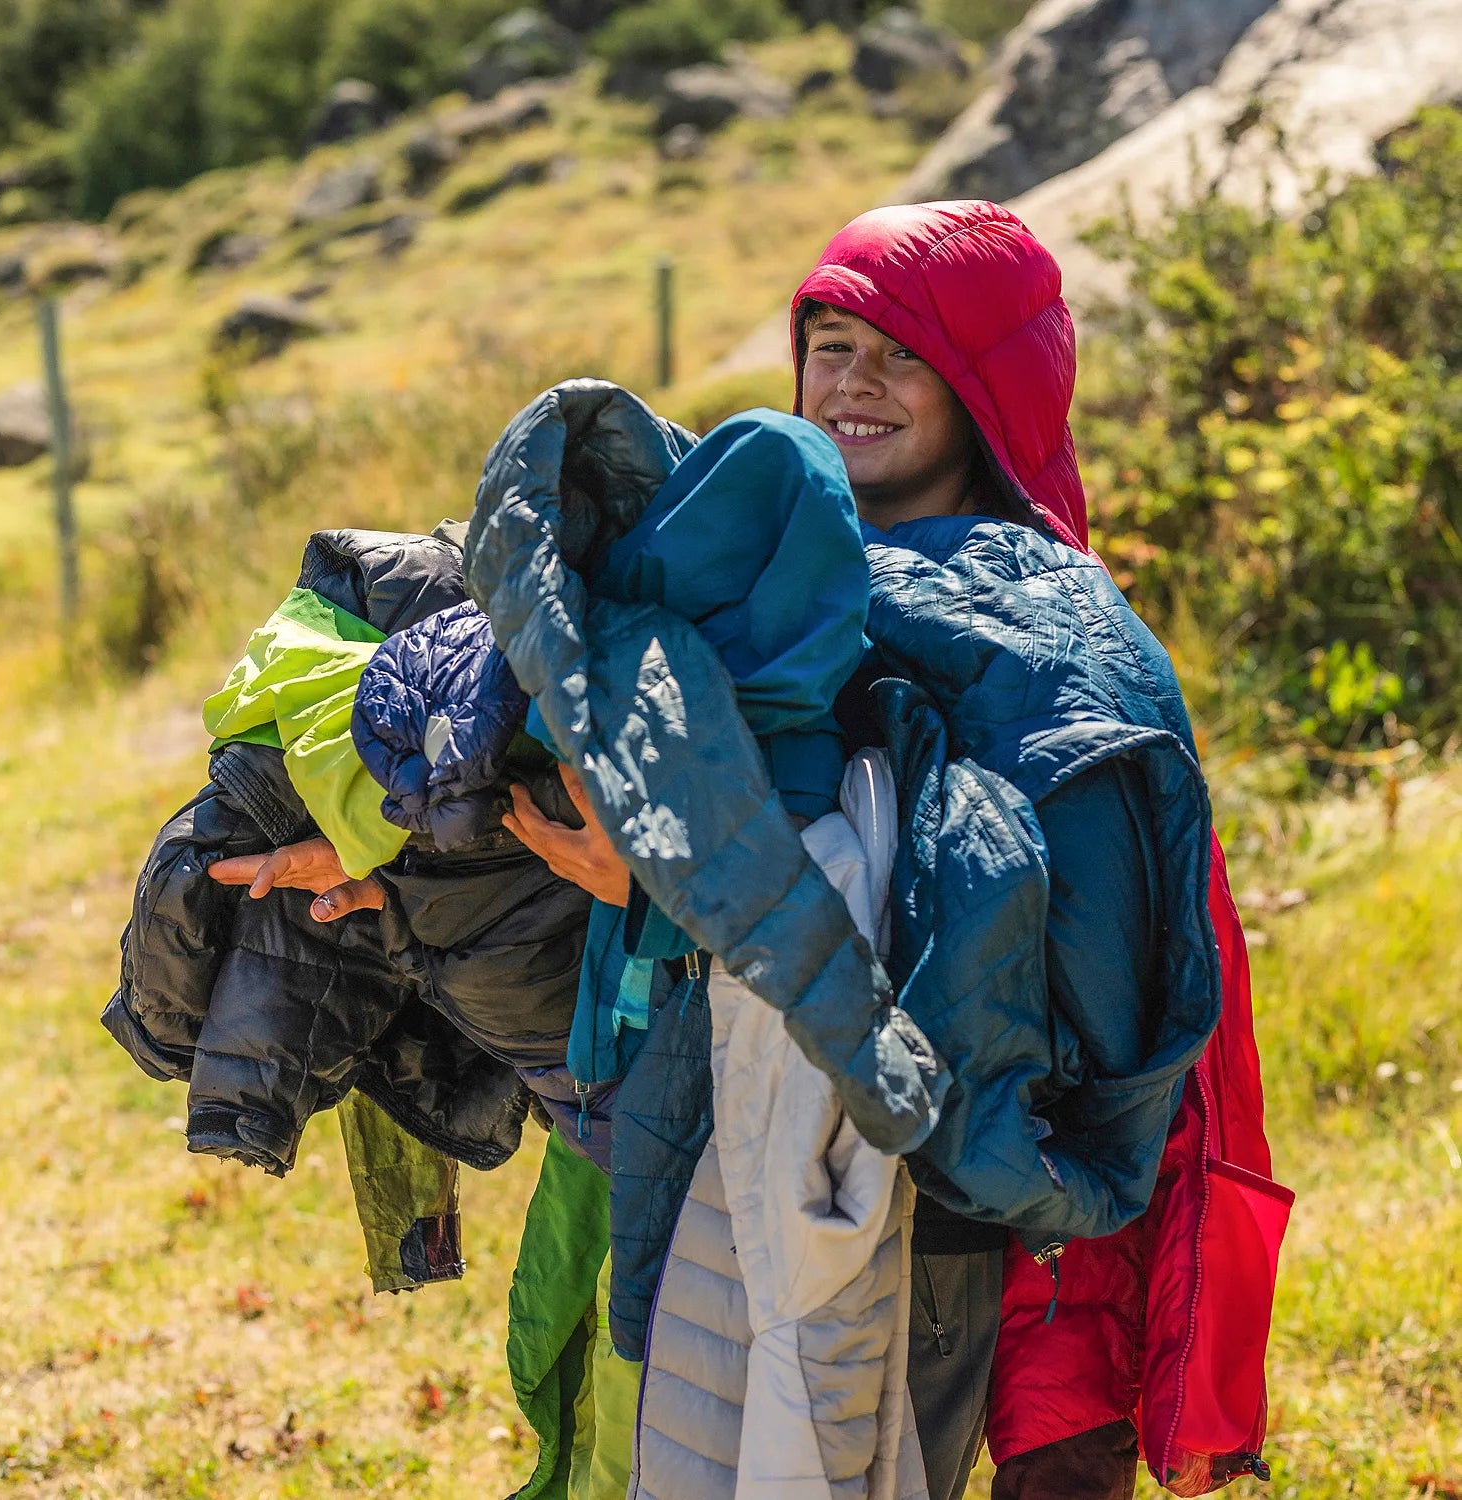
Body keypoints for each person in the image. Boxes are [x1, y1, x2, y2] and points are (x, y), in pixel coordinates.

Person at [514, 201, 1281, 1500]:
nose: (854, 383)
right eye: (831, 346)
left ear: (991, 386)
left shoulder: (1046, 637)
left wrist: (675, 888)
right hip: (714, 1149)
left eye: (905, 354)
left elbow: (1081, 979)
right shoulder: (750, 573)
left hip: (928, 1218)